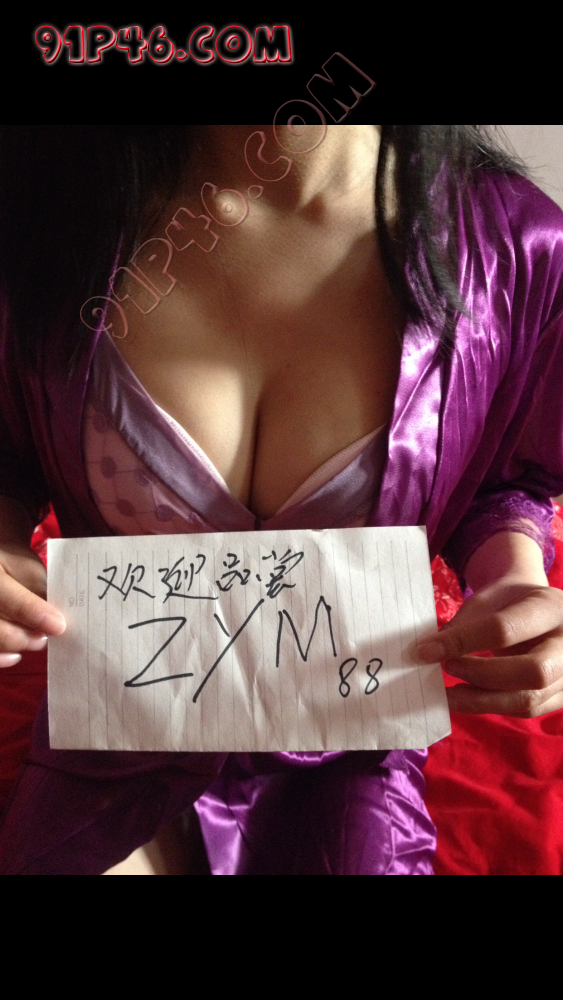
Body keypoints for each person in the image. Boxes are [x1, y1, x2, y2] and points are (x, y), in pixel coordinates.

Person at [1, 124, 563, 875]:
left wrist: (512, 575)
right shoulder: (41, 216)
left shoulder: (516, 250)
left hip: (346, 744)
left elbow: (508, 470)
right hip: (116, 727)